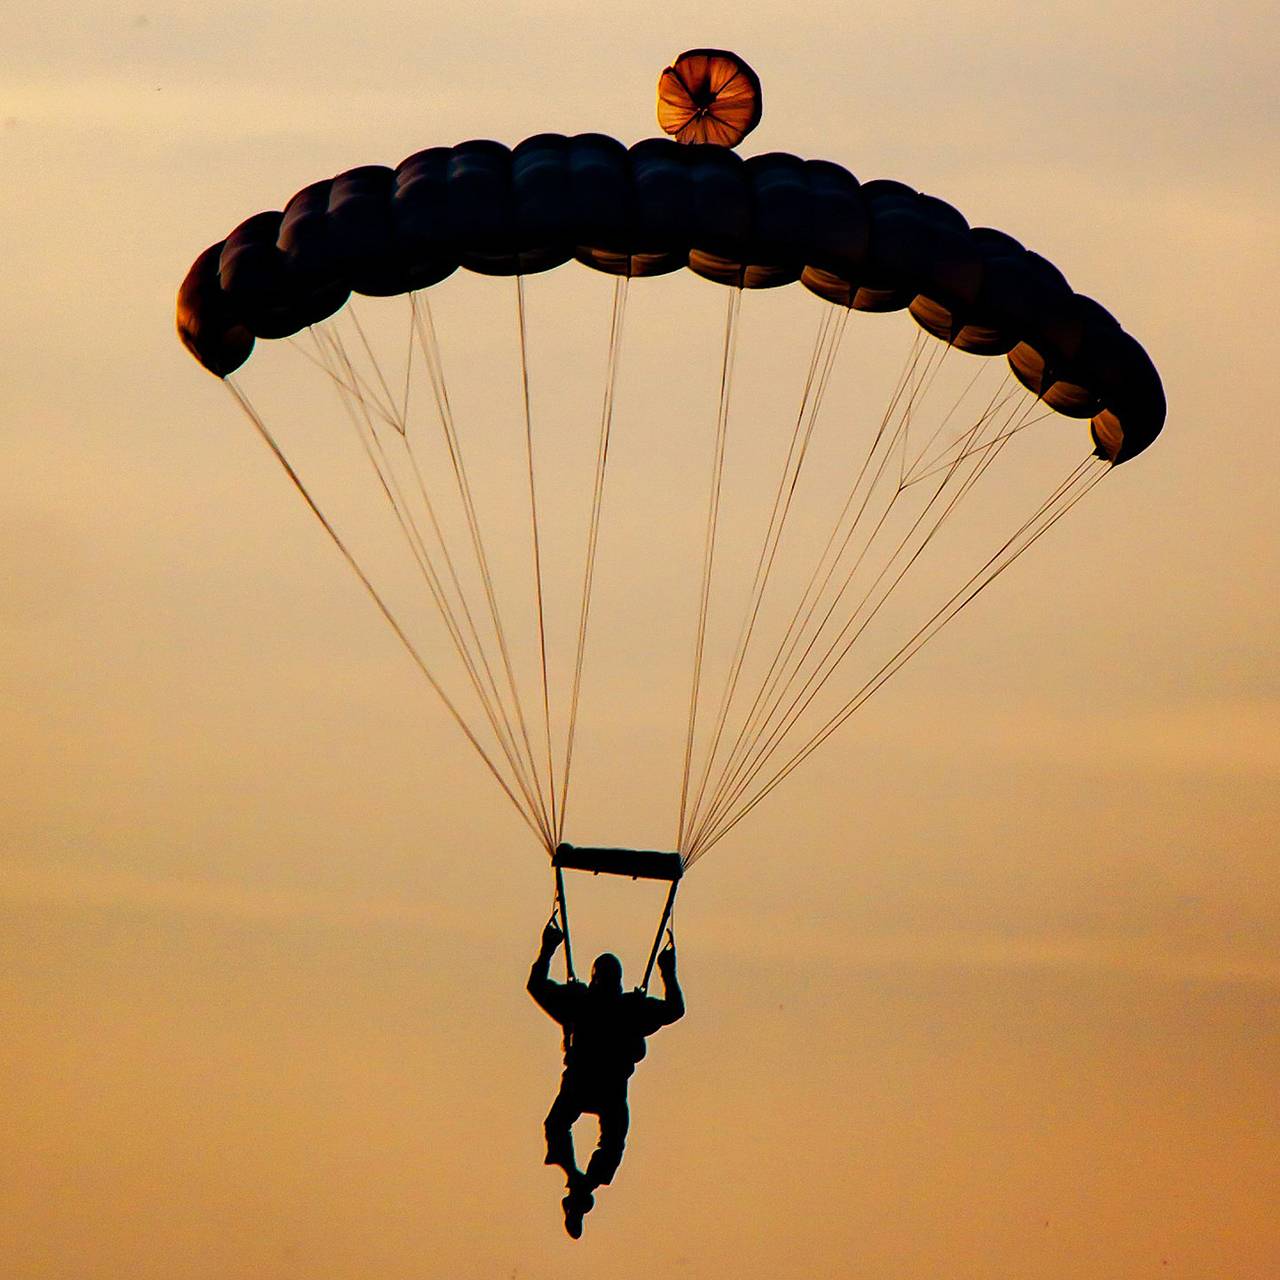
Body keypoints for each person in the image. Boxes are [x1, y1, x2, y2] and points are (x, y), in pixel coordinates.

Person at [527, 919, 685, 1238]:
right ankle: (579, 1185)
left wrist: (547, 949)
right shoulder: (627, 1009)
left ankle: (578, 1183)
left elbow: (537, 985)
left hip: (587, 1085)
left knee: (563, 1127)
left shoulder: (582, 1002)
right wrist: (667, 971)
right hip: (606, 1088)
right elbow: (673, 1008)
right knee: (603, 1141)